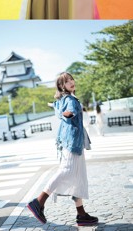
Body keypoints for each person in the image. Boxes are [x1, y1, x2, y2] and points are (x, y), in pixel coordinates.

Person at [27, 72, 98, 227]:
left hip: (73, 141)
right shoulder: (70, 100)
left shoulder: (62, 99)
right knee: (66, 170)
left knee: (79, 177)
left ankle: (81, 214)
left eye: (71, 79)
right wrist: (67, 113)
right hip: (72, 142)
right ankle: (39, 202)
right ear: (61, 86)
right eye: (67, 81)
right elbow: (68, 113)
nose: (71, 82)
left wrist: (60, 111)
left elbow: (61, 110)